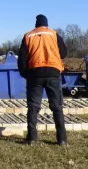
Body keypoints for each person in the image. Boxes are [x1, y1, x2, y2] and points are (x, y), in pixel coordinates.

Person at [17, 14, 68, 146]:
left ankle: (32, 138)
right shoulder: (54, 34)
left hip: (35, 74)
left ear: (36, 25)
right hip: (53, 73)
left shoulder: (28, 36)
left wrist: (25, 74)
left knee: (33, 107)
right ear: (46, 24)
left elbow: (22, 59)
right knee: (57, 107)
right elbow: (63, 53)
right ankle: (62, 140)